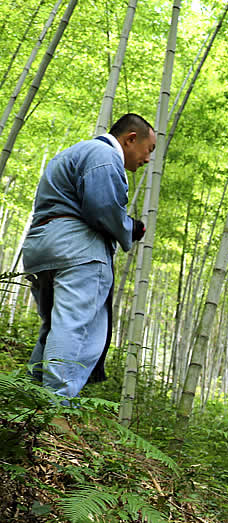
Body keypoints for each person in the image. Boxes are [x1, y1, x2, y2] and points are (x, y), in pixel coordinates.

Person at [22, 114, 155, 399]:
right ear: (131, 139)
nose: (147, 160)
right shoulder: (105, 155)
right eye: (149, 150)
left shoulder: (73, 152)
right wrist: (131, 227)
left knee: (55, 327)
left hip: (41, 247)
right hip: (77, 250)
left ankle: (30, 399)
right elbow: (102, 208)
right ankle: (55, 406)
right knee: (77, 328)